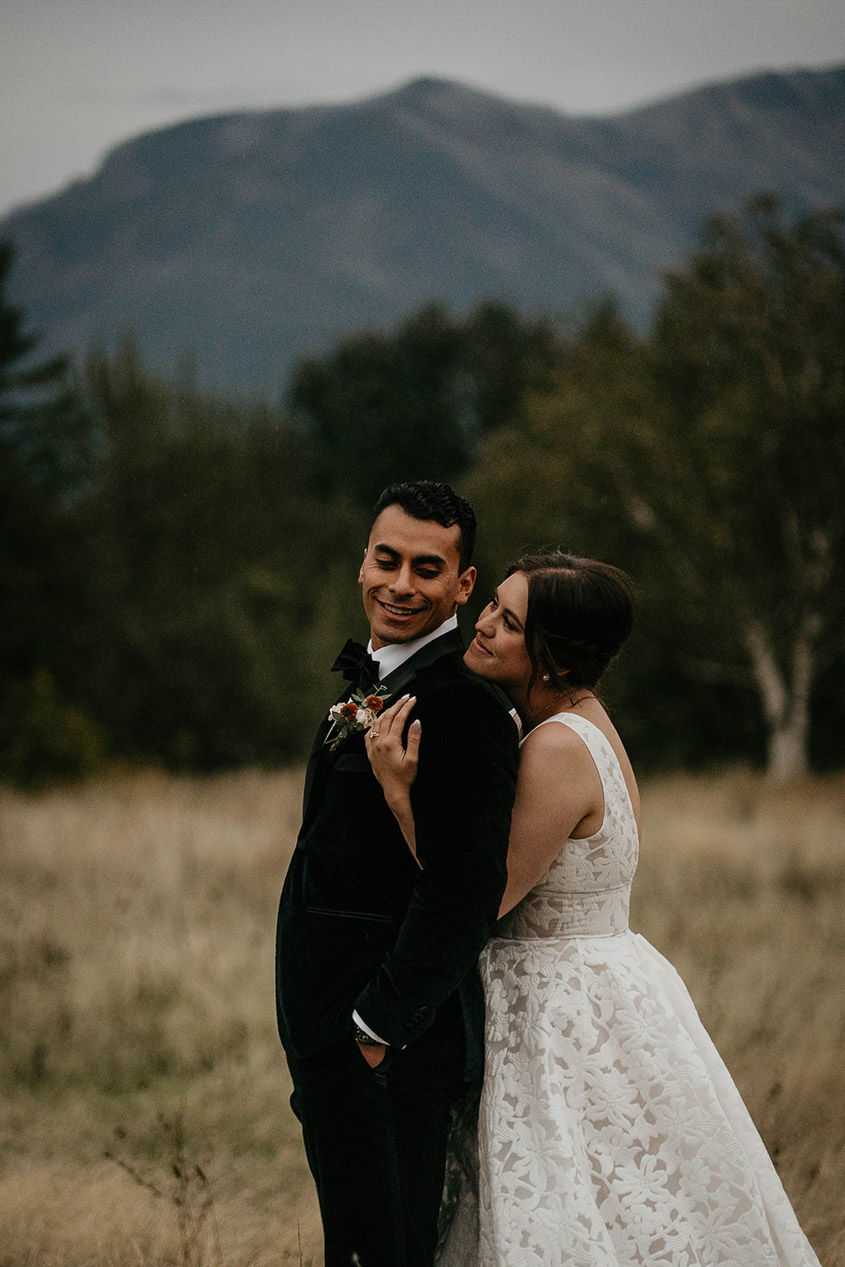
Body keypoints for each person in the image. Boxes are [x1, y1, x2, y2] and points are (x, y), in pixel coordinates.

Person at [367, 551, 822, 1267]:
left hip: (556, 1009)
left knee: (568, 1201)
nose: (481, 624)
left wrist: (398, 793)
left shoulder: (554, 746)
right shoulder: (579, 722)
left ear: (551, 655)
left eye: (509, 621)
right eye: (491, 605)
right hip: (604, 985)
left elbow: (480, 898)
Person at [275, 480, 519, 1267]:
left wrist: (377, 1026)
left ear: (463, 584)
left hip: (388, 1044)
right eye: (387, 560)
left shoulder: (462, 705)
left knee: (388, 1251)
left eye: (426, 568)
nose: (401, 585)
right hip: (333, 1034)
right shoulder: (377, 679)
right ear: (362, 562)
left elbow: (464, 888)